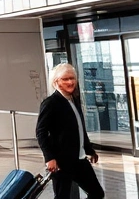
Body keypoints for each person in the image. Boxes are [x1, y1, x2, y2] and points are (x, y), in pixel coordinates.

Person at [36, 63, 105, 199]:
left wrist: (89, 149)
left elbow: (79, 128)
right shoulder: (51, 103)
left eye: (72, 78)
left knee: (97, 193)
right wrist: (49, 157)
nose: (71, 82)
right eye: (65, 79)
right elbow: (41, 132)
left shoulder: (74, 100)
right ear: (56, 82)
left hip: (79, 159)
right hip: (62, 162)